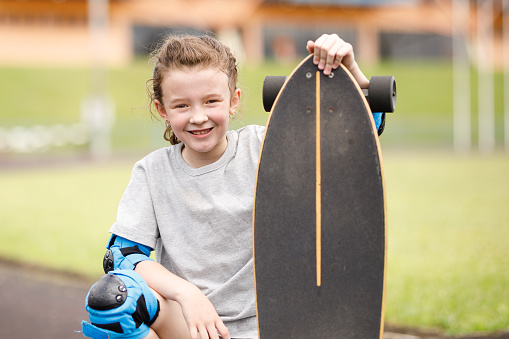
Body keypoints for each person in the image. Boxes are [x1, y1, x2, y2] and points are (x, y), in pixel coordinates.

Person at [81, 33, 385, 339]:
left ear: (233, 101)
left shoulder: (266, 146)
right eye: (182, 106)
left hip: (274, 326)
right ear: (163, 111)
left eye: (211, 101)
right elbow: (125, 257)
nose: (198, 117)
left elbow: (352, 137)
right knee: (115, 299)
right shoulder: (152, 172)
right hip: (190, 327)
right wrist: (188, 294)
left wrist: (353, 78)